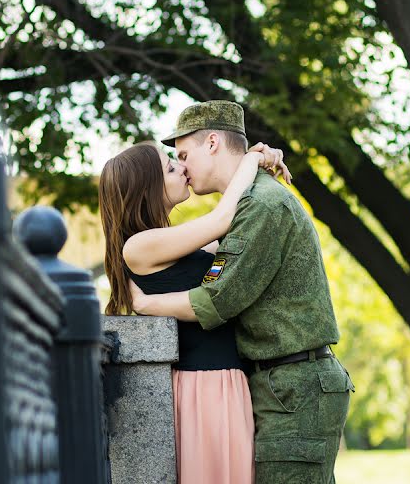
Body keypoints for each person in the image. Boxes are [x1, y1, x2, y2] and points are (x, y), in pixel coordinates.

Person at [129, 100, 354, 484]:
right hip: (280, 386)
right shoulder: (249, 204)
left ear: (212, 142)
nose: (182, 166)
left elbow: (217, 299)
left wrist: (145, 303)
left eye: (184, 154)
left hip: (295, 387)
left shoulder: (262, 206)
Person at [98, 138, 290, 484]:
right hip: (204, 388)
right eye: (171, 166)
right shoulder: (140, 245)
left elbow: (226, 246)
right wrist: (250, 160)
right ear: (149, 189)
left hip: (225, 382)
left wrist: (260, 160)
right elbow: (222, 219)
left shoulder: (171, 241)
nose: (182, 167)